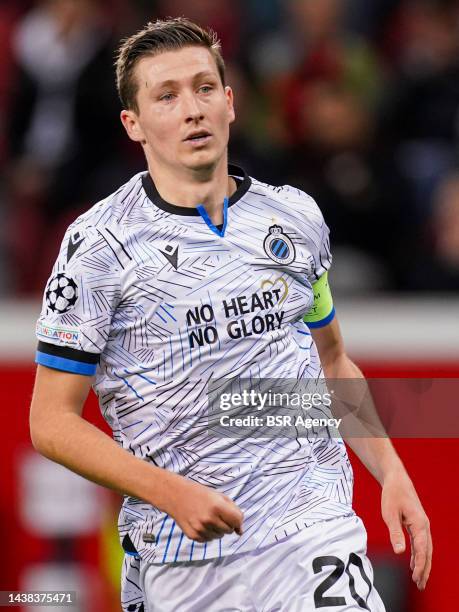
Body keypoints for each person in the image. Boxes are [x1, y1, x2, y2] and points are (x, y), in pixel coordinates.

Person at [30, 17, 432, 612]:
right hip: (183, 559)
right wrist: (171, 494)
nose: (192, 109)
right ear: (133, 124)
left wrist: (390, 469)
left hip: (311, 528)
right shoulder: (99, 247)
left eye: (203, 88)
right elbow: (51, 422)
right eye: (166, 96)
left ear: (230, 102)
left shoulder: (294, 217)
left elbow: (331, 361)